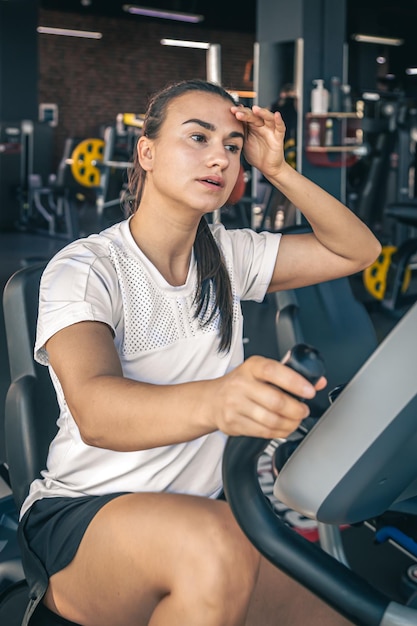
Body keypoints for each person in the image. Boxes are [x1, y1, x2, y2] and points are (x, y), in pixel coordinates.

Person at [18, 78, 381, 626]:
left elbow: (359, 250)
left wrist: (278, 170)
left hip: (213, 514)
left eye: (232, 148)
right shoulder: (87, 268)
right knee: (214, 547)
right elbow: (95, 411)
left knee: (343, 611)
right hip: (88, 517)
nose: (219, 158)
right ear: (147, 152)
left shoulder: (231, 256)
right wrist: (218, 401)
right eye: (197, 138)